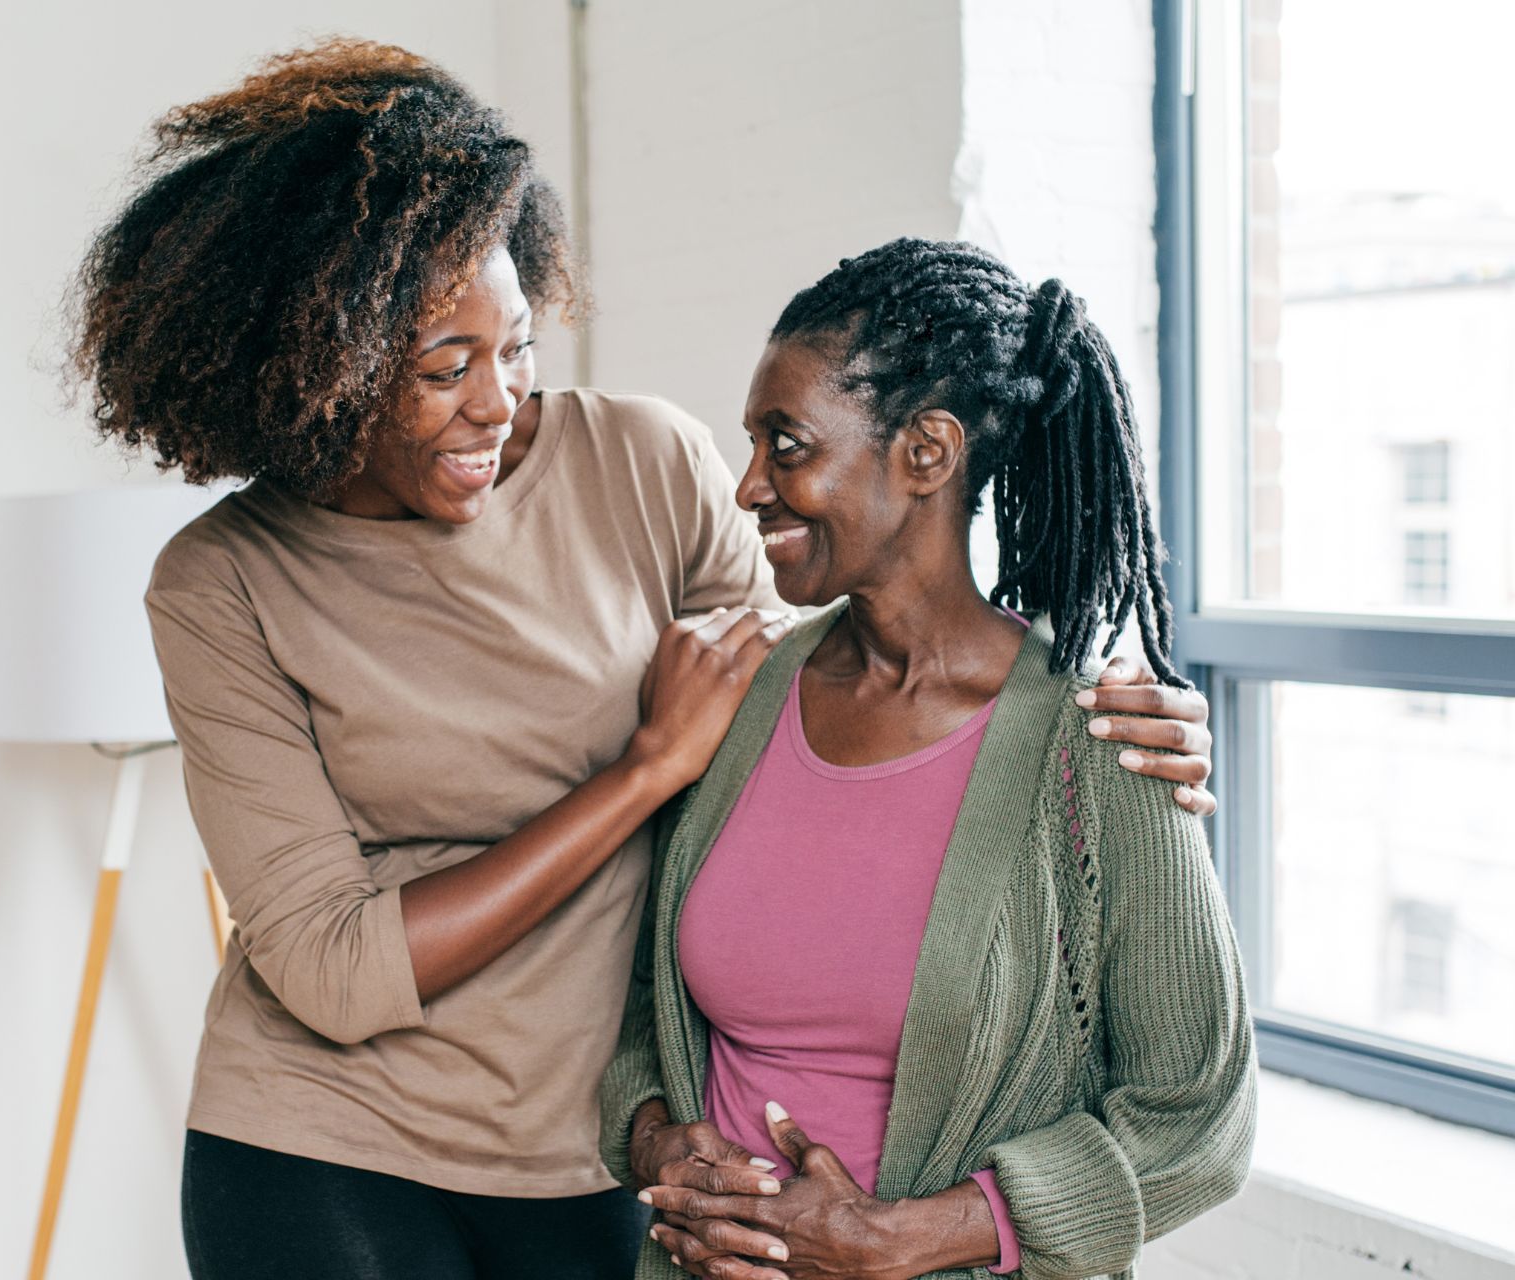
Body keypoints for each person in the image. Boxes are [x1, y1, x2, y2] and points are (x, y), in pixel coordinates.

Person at [68, 42, 1219, 1280]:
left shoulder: (643, 465)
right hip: (327, 1143)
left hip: (603, 1148)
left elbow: (822, 718)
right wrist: (641, 769)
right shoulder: (223, 582)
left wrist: (1113, 737)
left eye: (515, 346)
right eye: (444, 370)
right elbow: (335, 968)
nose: (497, 400)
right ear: (319, 368)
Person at [600, 239, 1256, 1280]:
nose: (748, 488)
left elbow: (1197, 1114)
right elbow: (648, 1009)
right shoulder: (739, 698)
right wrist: (656, 1141)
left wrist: (906, 1238)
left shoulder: (1099, 743)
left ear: (927, 453)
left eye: (787, 444)